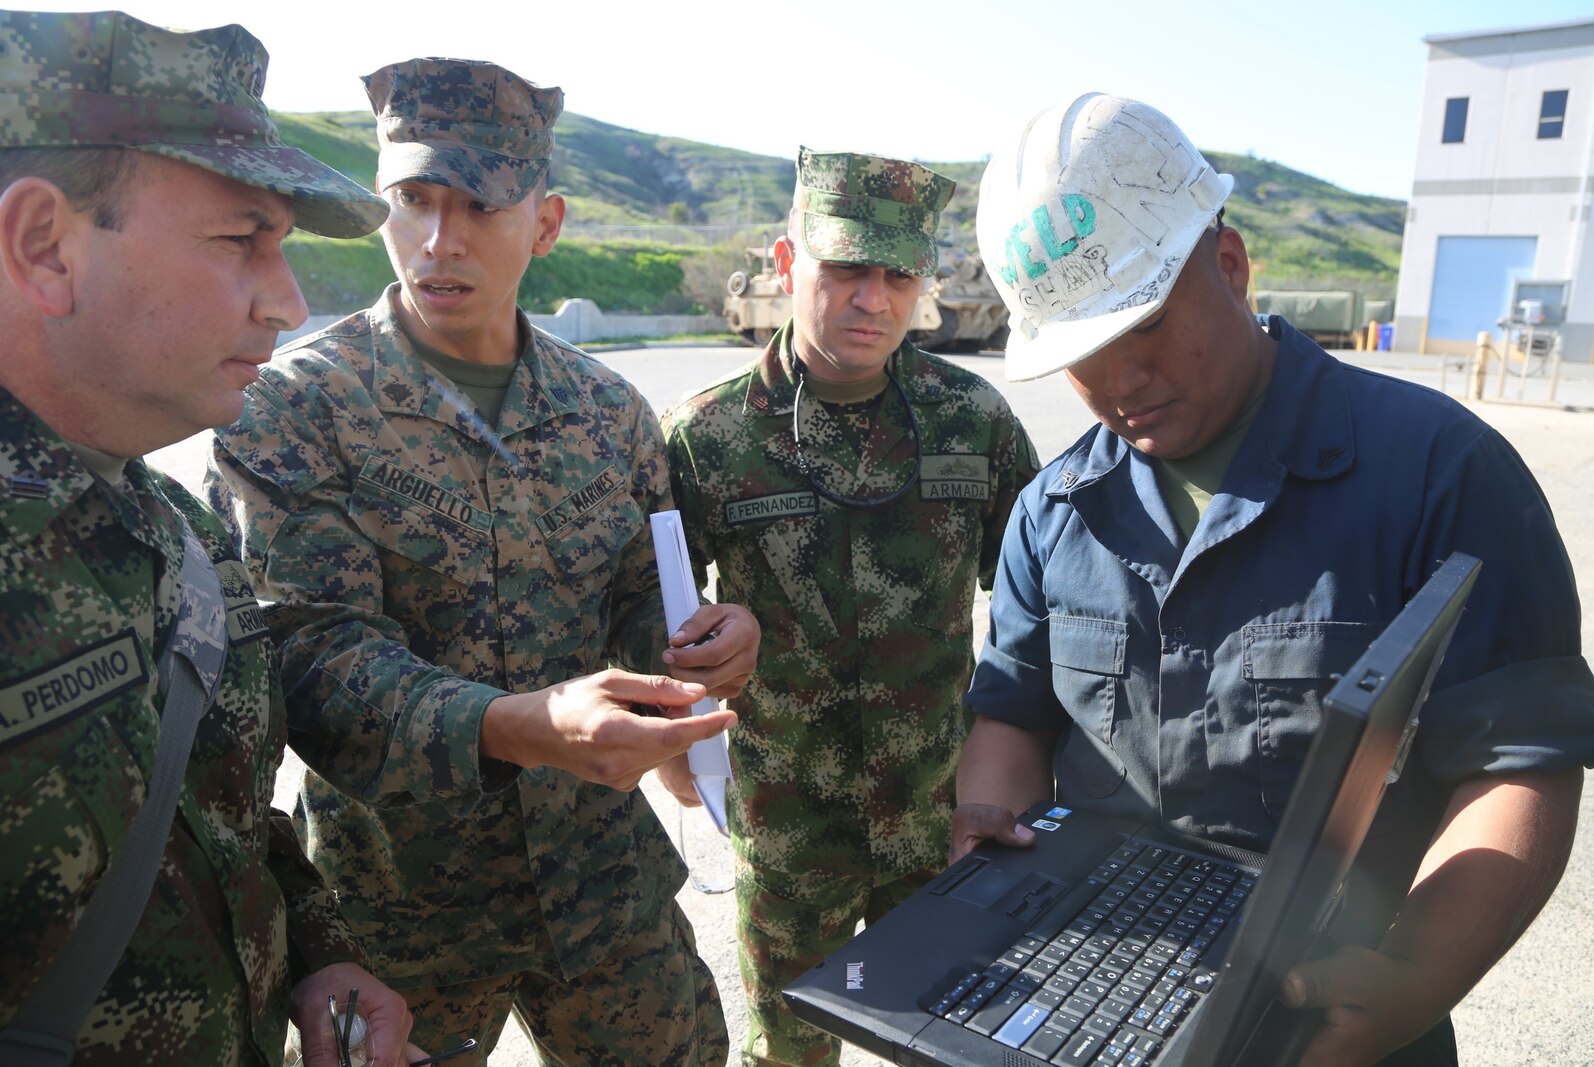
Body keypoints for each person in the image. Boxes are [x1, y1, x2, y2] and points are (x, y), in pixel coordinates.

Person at [953, 92, 1594, 1067]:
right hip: (1104, 1012)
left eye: (1142, 322)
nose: (1120, 375)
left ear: (1227, 264)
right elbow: (1013, 712)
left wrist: (1409, 981)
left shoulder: (1437, 473)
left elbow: (1515, 766)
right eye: (1080, 353)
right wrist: (985, 821)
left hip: (1334, 1013)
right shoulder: (1053, 512)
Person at [205, 56, 759, 1066]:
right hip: (399, 914)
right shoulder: (295, 409)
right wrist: (519, 726)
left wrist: (703, 646)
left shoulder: (608, 413)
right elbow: (310, 660)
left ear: (542, 224)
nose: (439, 238)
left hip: (599, 890)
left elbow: (642, 597)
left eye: (479, 204)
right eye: (413, 199)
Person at [0, 10, 418, 1066]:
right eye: (242, 240)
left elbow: (219, 814)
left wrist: (318, 953)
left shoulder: (168, 522)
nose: (286, 302)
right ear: (43, 245)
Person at [663, 148, 1040, 1067]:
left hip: (942, 817)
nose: (872, 299)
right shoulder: (708, 435)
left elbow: (1041, 601)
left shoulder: (972, 420)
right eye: (844, 271)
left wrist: (1021, 773)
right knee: (788, 1051)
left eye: (897, 274)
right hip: (790, 827)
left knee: (956, 1042)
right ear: (791, 265)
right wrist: (678, 738)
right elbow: (653, 609)